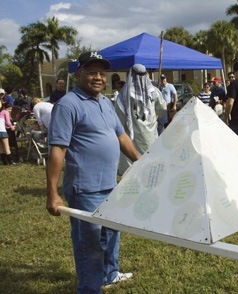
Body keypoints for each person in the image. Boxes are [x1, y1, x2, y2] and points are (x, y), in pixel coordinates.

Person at [46, 51, 141, 293]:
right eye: (91, 72)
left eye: (102, 72)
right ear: (79, 73)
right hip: (85, 188)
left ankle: (109, 274)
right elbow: (57, 149)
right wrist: (52, 193)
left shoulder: (105, 103)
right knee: (89, 246)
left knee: (111, 235)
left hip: (110, 183)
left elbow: (121, 137)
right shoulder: (68, 105)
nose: (98, 77)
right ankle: (90, 288)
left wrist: (141, 162)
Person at [115, 64, 166, 175]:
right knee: (150, 172)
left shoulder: (122, 95)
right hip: (148, 139)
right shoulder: (154, 92)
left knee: (133, 175)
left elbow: (118, 120)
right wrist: (155, 117)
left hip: (130, 140)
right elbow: (162, 109)